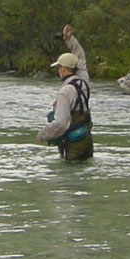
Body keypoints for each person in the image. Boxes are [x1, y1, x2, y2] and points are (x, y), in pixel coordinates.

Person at [37, 24, 93, 161]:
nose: (58, 71)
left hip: (72, 145)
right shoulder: (84, 83)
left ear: (62, 69)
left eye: (59, 68)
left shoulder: (64, 92)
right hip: (86, 141)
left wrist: (43, 135)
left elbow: (61, 124)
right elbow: (80, 56)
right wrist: (69, 39)